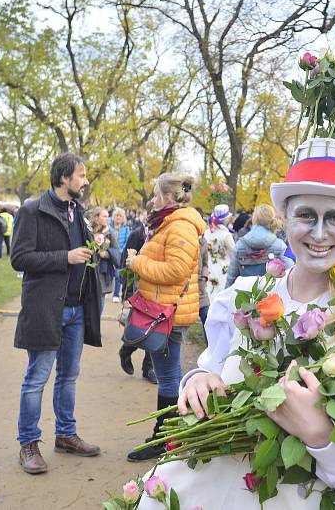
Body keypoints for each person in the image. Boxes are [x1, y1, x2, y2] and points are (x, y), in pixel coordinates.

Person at [136, 143, 335, 510]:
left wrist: (321, 437)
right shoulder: (245, 296)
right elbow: (213, 365)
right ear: (284, 218)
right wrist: (199, 380)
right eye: (305, 216)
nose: (318, 234)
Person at [11, 153, 103, 474]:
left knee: (68, 376)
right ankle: (28, 444)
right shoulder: (32, 210)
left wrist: (95, 243)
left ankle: (65, 435)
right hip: (46, 309)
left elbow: (83, 254)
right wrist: (65, 257)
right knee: (37, 378)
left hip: (77, 310)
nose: (85, 180)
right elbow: (20, 258)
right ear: (64, 178)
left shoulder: (78, 211)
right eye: (81, 175)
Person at [124, 173, 206, 462]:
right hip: (163, 309)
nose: (153, 200)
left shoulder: (180, 226)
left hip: (169, 313)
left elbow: (175, 271)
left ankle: (166, 437)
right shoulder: (169, 222)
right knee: (167, 374)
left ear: (170, 199)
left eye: (157, 195)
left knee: (169, 376)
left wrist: (138, 263)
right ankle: (167, 434)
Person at [117, 223, 157, 384]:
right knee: (140, 328)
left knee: (155, 329)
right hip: (138, 290)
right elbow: (125, 266)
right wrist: (126, 295)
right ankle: (127, 350)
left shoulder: (165, 235)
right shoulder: (137, 235)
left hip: (158, 290)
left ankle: (148, 368)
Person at [226, 203, 292, 287]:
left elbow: (231, 277)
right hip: (271, 296)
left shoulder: (240, 245)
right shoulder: (280, 245)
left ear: (254, 220)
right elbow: (290, 272)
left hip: (244, 296)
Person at [87, 206, 121, 313]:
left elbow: (117, 251)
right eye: (104, 216)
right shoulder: (87, 231)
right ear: (97, 218)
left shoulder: (110, 233)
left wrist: (105, 254)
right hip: (87, 271)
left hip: (103, 272)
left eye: (108, 216)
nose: (108, 218)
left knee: (100, 304)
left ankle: (96, 326)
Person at [203, 203, 234, 299]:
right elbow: (235, 252)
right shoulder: (225, 235)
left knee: (211, 294)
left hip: (209, 268)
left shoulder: (206, 233)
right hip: (223, 269)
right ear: (226, 219)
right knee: (222, 294)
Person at [110, 207, 131, 303]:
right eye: (116, 215)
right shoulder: (109, 228)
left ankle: (116, 294)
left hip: (120, 256)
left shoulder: (126, 229)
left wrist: (120, 252)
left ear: (123, 218)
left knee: (118, 274)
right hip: (110, 255)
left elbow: (128, 242)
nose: (118, 217)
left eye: (120, 216)